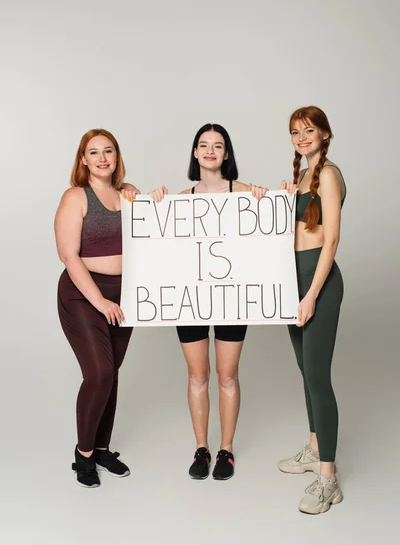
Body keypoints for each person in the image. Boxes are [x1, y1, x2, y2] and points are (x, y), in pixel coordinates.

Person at [150, 123, 266, 481]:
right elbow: (160, 243)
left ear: (227, 154)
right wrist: (153, 207)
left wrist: (270, 197)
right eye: (204, 145)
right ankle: (201, 448)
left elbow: (272, 229)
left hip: (231, 297)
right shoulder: (180, 200)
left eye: (218, 145)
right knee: (198, 375)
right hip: (191, 299)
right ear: (196, 153)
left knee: (227, 374)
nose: (211, 150)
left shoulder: (247, 193)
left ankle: (226, 449)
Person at [55, 128, 139, 488]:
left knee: (113, 372)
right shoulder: (76, 196)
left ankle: (102, 448)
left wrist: (145, 198)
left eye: (109, 151)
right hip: (83, 292)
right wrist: (100, 301)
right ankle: (84, 454)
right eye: (94, 152)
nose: (102, 158)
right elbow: (68, 256)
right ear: (83, 160)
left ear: (117, 157)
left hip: (126, 294)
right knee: (100, 372)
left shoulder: (129, 194)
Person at [279, 106, 346, 514]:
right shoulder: (303, 175)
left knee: (319, 378)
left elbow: (331, 239)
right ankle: (314, 447)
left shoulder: (330, 174)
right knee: (306, 371)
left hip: (318, 286)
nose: (302, 137)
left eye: (309, 130)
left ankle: (328, 480)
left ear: (324, 133)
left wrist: (311, 295)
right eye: (294, 132)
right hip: (294, 285)